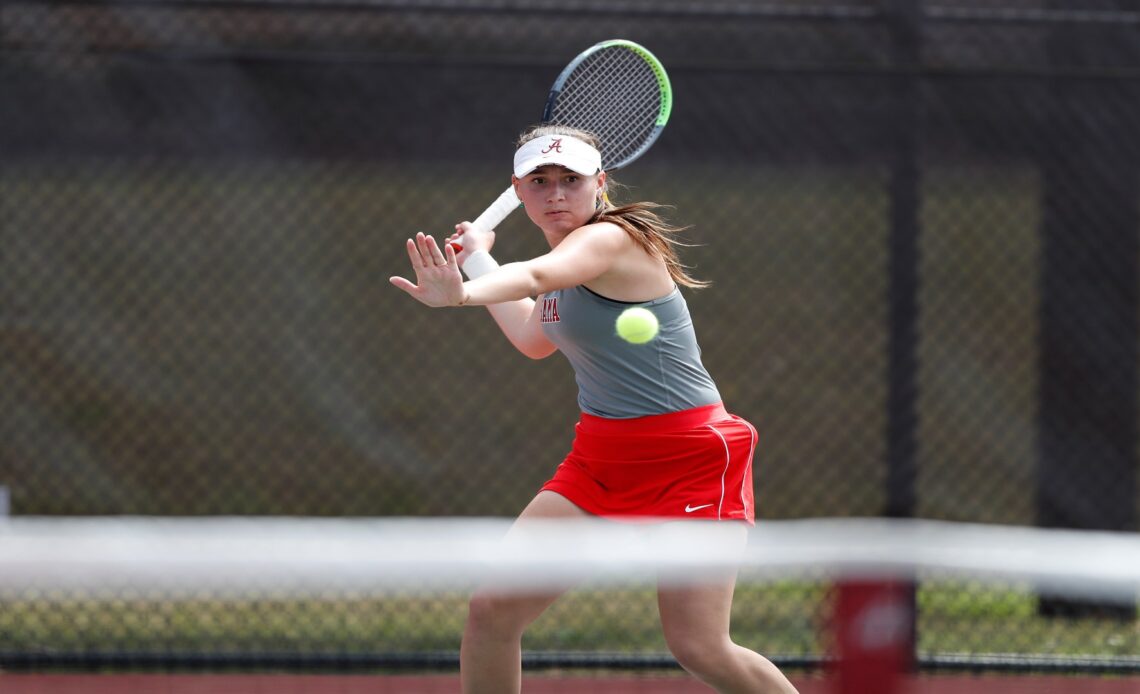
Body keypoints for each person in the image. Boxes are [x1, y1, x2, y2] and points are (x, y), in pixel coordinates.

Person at [390, 124, 799, 694]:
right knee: (492, 614)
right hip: (601, 458)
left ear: (599, 184)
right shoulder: (567, 258)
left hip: (690, 457)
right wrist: (479, 265)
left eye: (570, 181)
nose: (556, 193)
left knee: (700, 646)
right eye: (540, 181)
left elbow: (533, 275)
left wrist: (459, 293)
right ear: (519, 189)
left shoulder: (609, 240)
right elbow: (535, 337)